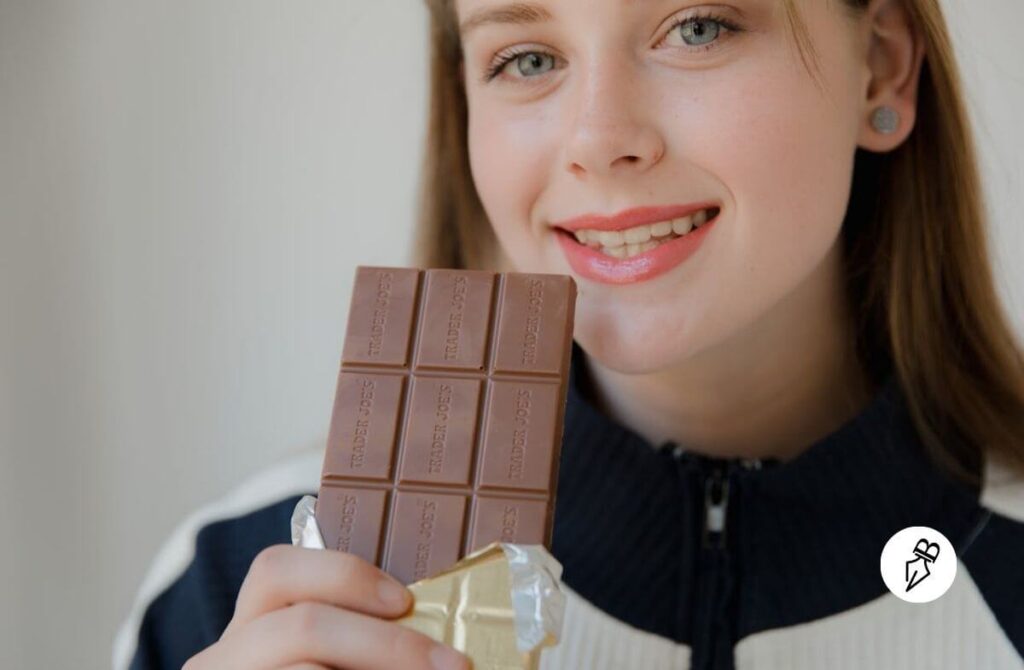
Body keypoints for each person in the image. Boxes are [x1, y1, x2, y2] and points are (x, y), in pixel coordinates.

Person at [115, 0, 1024, 668]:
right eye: (526, 58)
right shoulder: (232, 590)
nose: (599, 138)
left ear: (883, 65)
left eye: (698, 25)